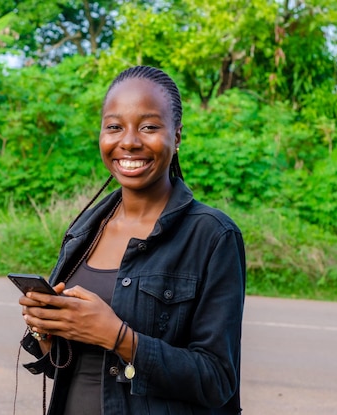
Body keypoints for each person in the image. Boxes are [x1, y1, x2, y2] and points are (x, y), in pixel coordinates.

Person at [18, 65, 246, 415]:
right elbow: (71, 365)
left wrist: (118, 337)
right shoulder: (85, 231)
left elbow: (217, 380)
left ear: (178, 136)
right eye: (114, 127)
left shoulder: (213, 236)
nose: (129, 141)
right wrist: (49, 332)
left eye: (149, 127)